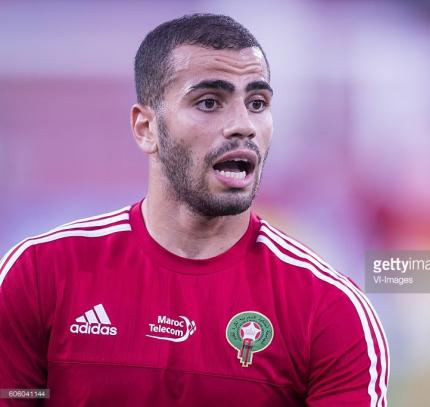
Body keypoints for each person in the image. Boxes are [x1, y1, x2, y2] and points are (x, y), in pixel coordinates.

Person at [0, 13, 388, 406]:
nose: (243, 125)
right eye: (209, 102)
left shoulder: (330, 311)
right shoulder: (39, 275)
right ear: (146, 129)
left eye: (257, 103)